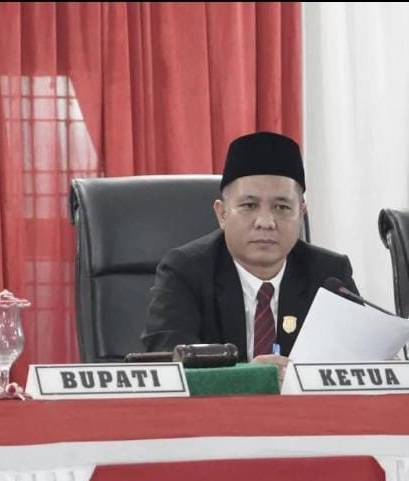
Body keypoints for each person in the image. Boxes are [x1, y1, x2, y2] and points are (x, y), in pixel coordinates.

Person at [142, 131, 358, 373]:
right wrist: (249, 376)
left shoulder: (330, 276)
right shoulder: (186, 271)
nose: (265, 222)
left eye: (282, 207)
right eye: (249, 205)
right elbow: (169, 367)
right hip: (222, 399)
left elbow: (360, 361)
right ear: (222, 214)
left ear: (301, 214)